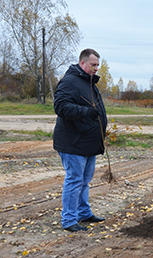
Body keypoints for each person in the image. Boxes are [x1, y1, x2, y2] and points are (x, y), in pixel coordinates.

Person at [53, 48, 108, 232]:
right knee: (75, 180)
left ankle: (84, 213)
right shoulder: (70, 81)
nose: (96, 68)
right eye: (93, 65)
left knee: (84, 181)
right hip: (73, 143)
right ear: (82, 63)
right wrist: (85, 112)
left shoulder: (89, 83)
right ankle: (69, 220)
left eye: (98, 65)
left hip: (87, 143)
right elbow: (60, 106)